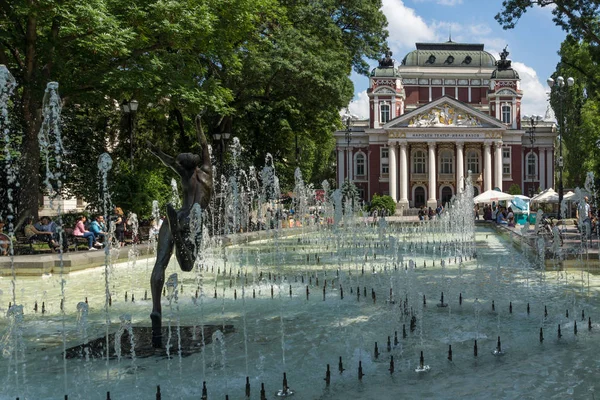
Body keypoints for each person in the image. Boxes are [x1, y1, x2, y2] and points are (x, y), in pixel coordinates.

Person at [146, 113, 213, 348]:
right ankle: (180, 239)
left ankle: (156, 308)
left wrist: (155, 151)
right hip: (194, 218)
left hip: (180, 215)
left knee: (160, 263)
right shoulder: (206, 171)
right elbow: (204, 144)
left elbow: (167, 160)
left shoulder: (185, 173)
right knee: (186, 265)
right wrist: (198, 124)